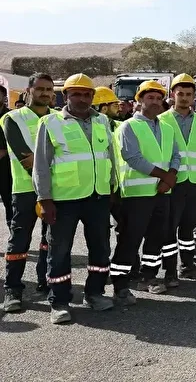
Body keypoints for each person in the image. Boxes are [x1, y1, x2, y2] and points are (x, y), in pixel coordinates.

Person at [33, 73, 118, 323]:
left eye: (86, 94)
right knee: (59, 251)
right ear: (65, 96)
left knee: (101, 248)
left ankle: (95, 293)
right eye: (76, 94)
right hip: (64, 200)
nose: (82, 99)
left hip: (98, 197)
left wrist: (113, 188)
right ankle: (59, 302)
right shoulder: (51, 123)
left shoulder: (102, 121)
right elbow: (41, 164)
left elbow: (110, 156)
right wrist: (44, 199)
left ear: (93, 96)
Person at [110, 80, 180, 302]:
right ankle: (120, 284)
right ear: (139, 100)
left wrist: (171, 177)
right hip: (136, 194)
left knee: (156, 238)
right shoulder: (128, 127)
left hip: (162, 193)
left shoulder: (167, 128)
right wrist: (165, 176)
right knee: (130, 240)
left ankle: (148, 277)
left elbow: (176, 156)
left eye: (159, 98)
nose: (155, 102)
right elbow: (133, 157)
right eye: (150, 98)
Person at [2, 73, 56, 312]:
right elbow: (26, 158)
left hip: (56, 190)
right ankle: (12, 289)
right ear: (28, 91)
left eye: (49, 89)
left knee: (50, 238)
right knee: (20, 240)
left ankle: (45, 280)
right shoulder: (13, 118)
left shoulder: (58, 118)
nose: (45, 93)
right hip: (25, 190)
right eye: (40, 89)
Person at [158, 74, 196, 283]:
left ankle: (188, 265)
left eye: (188, 94)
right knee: (169, 228)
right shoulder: (162, 120)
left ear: (194, 96)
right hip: (173, 183)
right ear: (172, 95)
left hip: (195, 183)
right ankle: (170, 271)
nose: (184, 97)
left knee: (189, 227)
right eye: (180, 93)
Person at [0, 84, 11, 230]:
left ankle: (13, 232)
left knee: (9, 202)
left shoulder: (11, 117)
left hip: (7, 166)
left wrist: (6, 151)